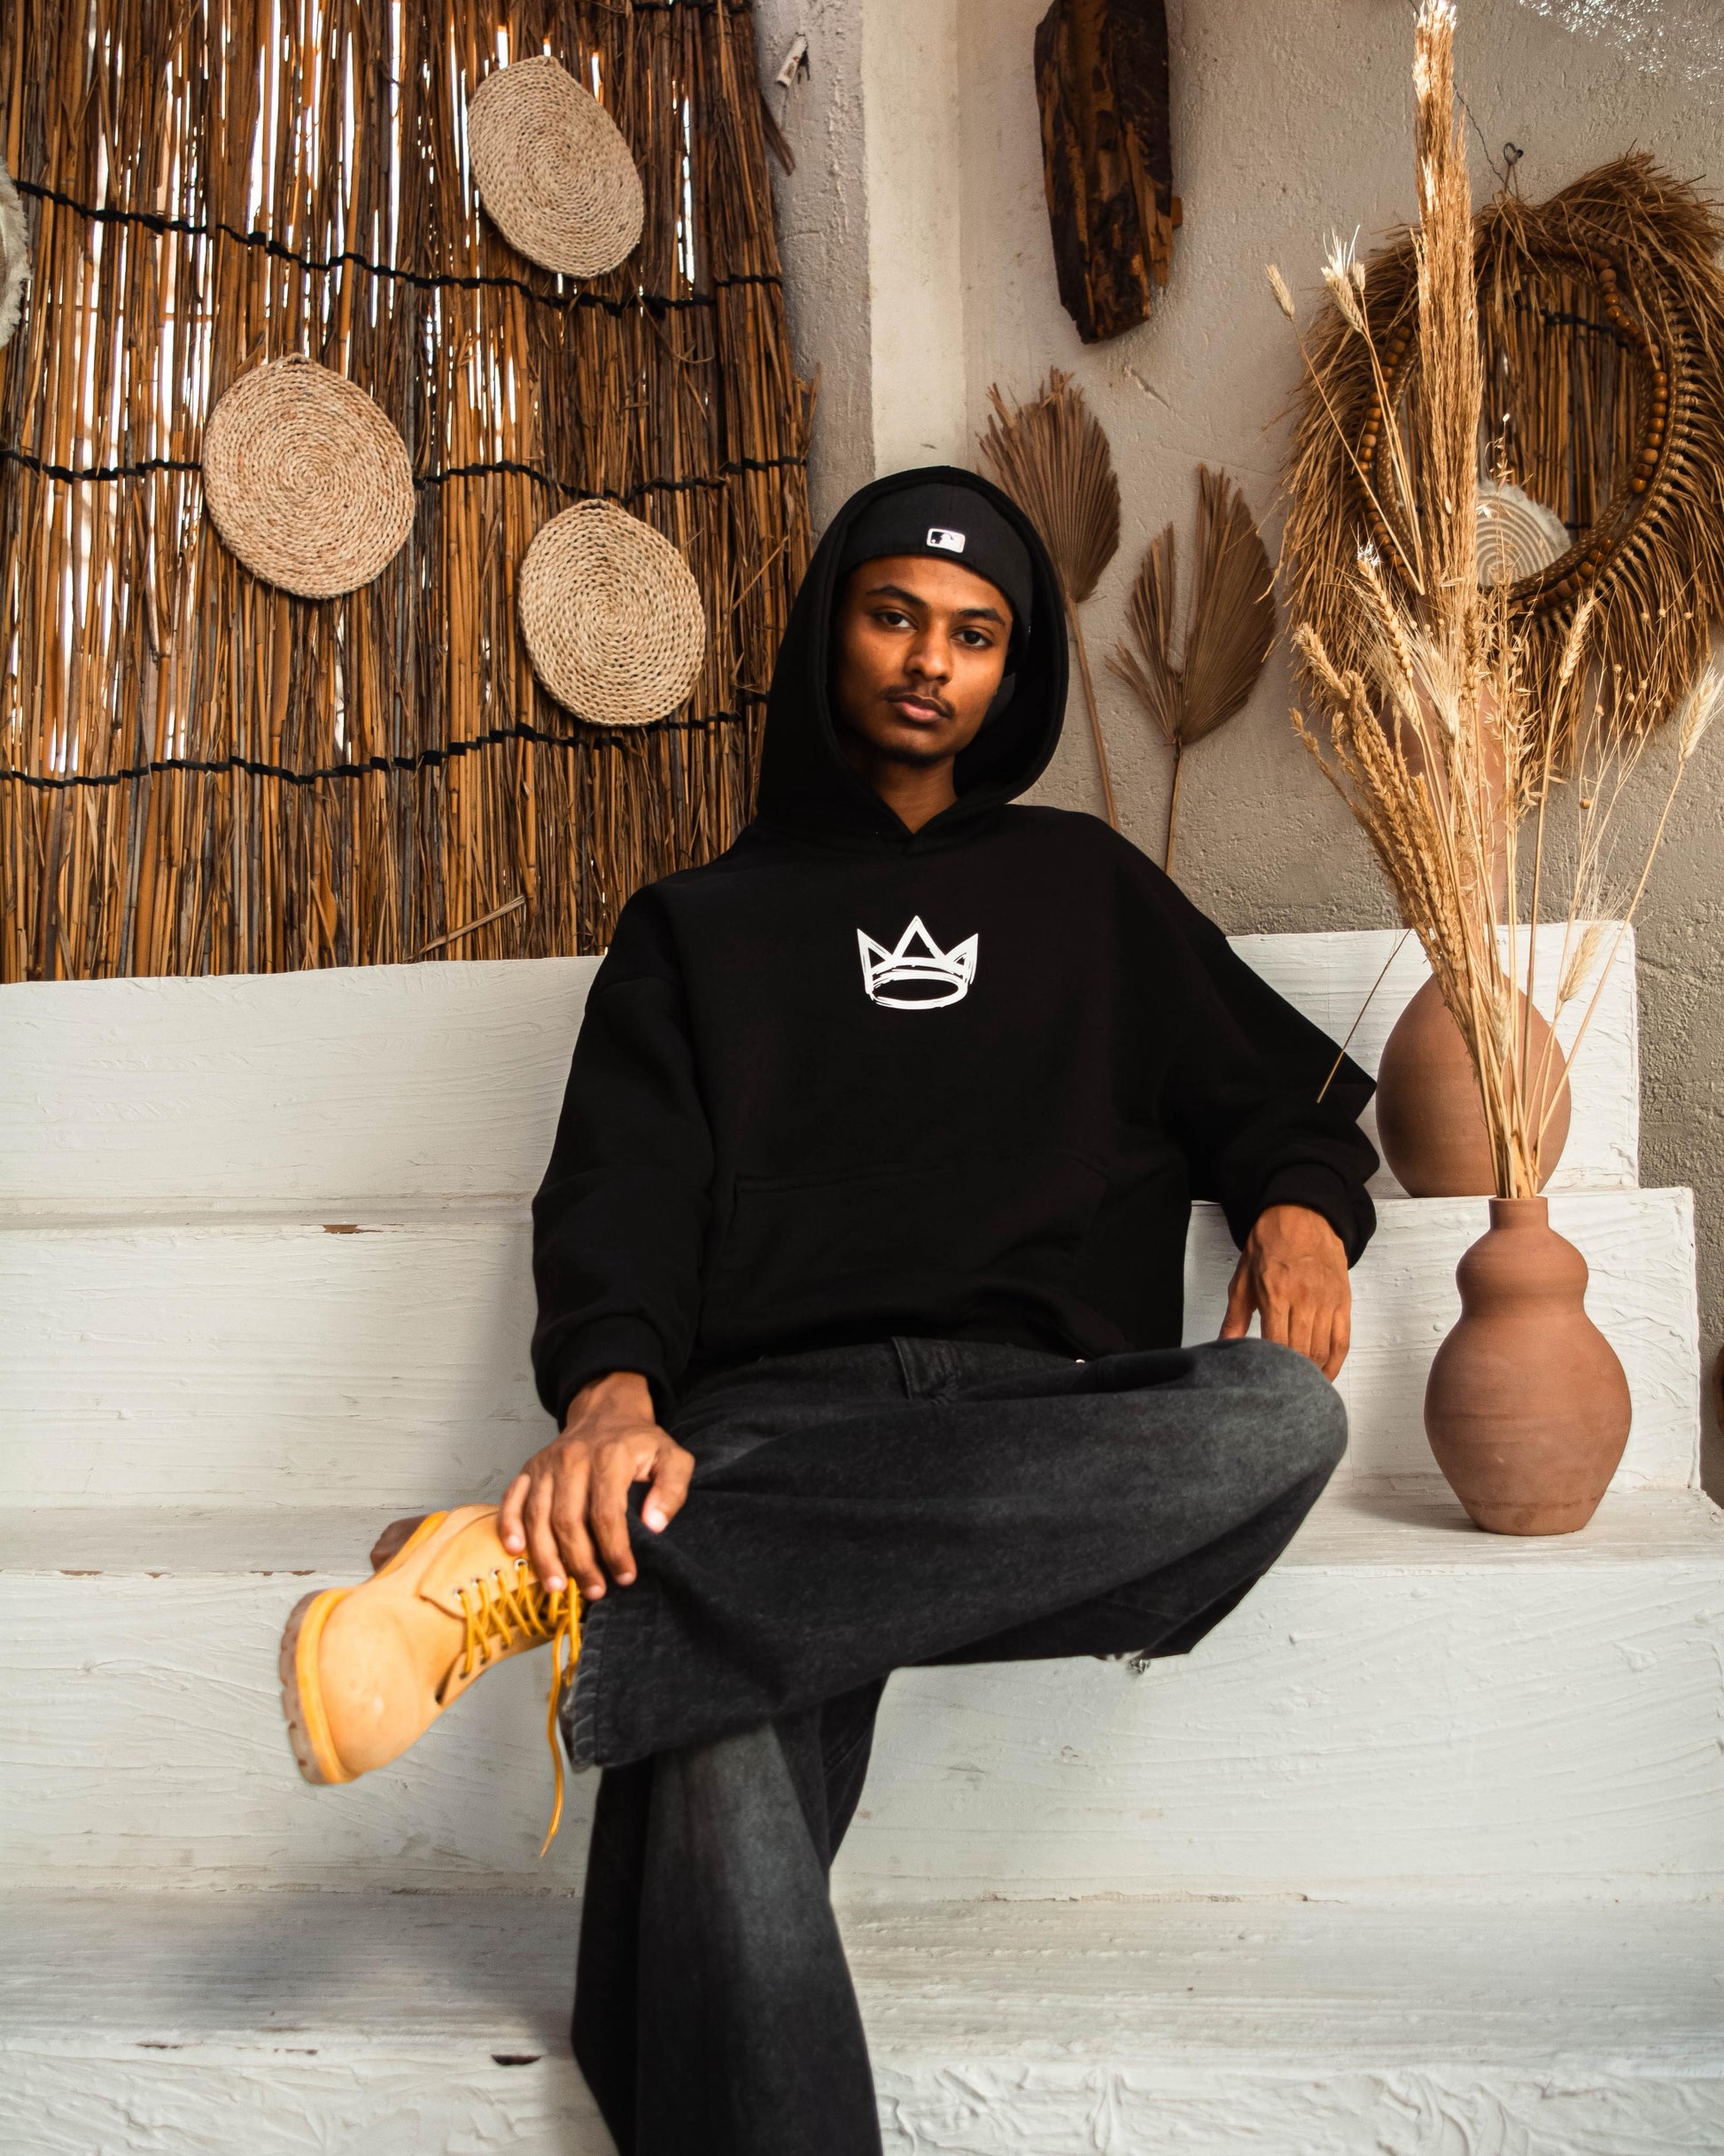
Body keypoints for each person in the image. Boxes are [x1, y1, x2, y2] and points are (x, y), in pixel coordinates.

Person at [280, 468, 1377, 2156]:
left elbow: (1275, 1098)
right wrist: (611, 1402)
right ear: (828, 632)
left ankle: (565, 1570)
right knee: (711, 1715)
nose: (930, 660)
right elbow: (621, 1198)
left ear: (1011, 671)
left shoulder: (1087, 890)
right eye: (893, 616)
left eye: (975, 634)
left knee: (1277, 1414)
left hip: (1031, 1432)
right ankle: (667, 1562)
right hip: (772, 1421)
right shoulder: (695, 930)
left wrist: (1301, 1204)